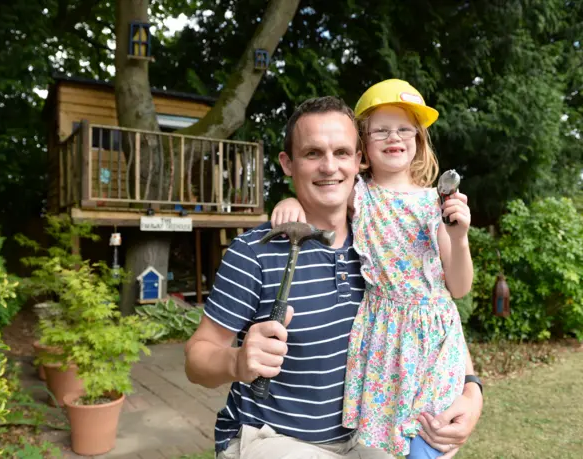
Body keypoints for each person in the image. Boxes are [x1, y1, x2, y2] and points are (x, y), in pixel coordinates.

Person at [185, 95, 483, 459]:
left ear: (359, 160)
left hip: (364, 435)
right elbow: (196, 359)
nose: (329, 166)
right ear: (288, 164)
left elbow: (433, 311)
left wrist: (471, 390)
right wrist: (236, 361)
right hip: (272, 439)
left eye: (341, 152)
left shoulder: (381, 241)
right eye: (312, 153)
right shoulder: (255, 252)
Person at [270, 79, 476, 458]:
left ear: (418, 139)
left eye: (404, 128)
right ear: (363, 145)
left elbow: (459, 287)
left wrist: (459, 237)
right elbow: (321, 189)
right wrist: (290, 202)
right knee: (378, 445)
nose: (393, 136)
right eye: (381, 129)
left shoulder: (436, 203)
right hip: (381, 334)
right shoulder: (358, 194)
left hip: (432, 335)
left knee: (429, 440)